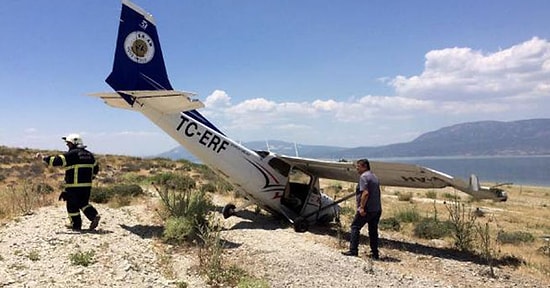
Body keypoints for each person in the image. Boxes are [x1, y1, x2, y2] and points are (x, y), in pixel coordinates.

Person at [36, 134, 101, 231]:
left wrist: (43, 158)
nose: (67, 145)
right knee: (83, 202)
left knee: (71, 205)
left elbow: (56, 161)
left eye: (69, 143)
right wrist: (91, 178)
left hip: (73, 186)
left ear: (75, 143)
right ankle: (93, 216)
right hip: (87, 186)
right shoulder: (90, 155)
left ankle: (77, 225)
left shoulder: (73, 154)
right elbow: (96, 168)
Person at [342, 158, 382, 259]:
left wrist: (361, 207)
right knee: (373, 231)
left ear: (364, 166)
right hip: (376, 208)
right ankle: (375, 253)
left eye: (358, 166)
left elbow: (365, 193)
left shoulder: (364, 177)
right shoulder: (374, 176)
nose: (357, 168)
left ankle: (353, 250)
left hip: (367, 209)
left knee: (355, 227)